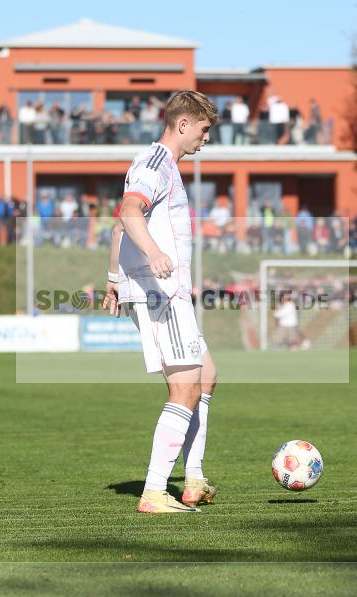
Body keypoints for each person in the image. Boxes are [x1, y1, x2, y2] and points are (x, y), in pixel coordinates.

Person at [102, 90, 219, 514]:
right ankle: (154, 492)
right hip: (160, 293)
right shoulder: (154, 163)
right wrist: (152, 253)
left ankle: (193, 478)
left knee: (205, 375)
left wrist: (114, 279)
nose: (206, 140)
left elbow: (119, 228)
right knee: (185, 386)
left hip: (163, 291)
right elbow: (130, 211)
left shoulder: (163, 165)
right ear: (183, 124)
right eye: (204, 130)